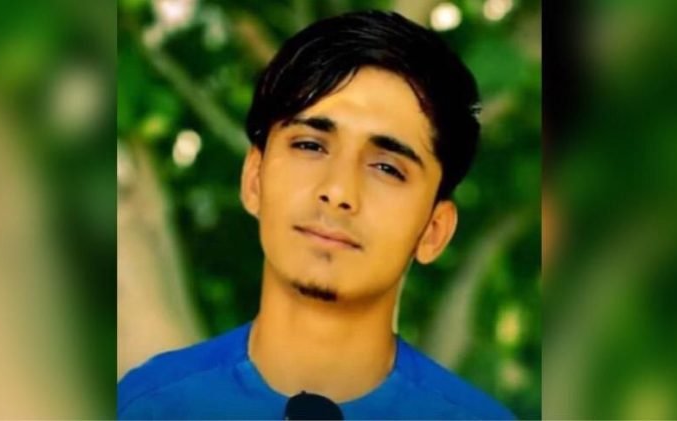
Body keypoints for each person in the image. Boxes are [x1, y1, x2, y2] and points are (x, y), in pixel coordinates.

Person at [118, 10, 514, 420]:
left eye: (387, 168)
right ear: (254, 180)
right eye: (310, 145)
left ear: (434, 231)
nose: (338, 191)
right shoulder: (145, 406)